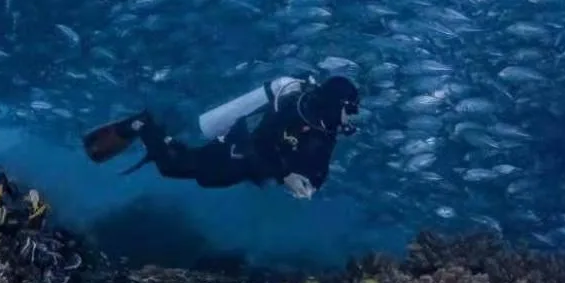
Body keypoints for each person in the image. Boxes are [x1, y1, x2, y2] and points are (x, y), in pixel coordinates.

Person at [82, 75, 361, 197]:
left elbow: (321, 163)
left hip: (249, 166)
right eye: (348, 110)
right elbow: (260, 142)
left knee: (198, 169)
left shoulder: (325, 127)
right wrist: (286, 174)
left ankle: (159, 133)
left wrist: (311, 184)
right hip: (237, 148)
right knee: (173, 167)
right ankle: (142, 124)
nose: (350, 117)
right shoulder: (294, 109)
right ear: (334, 103)